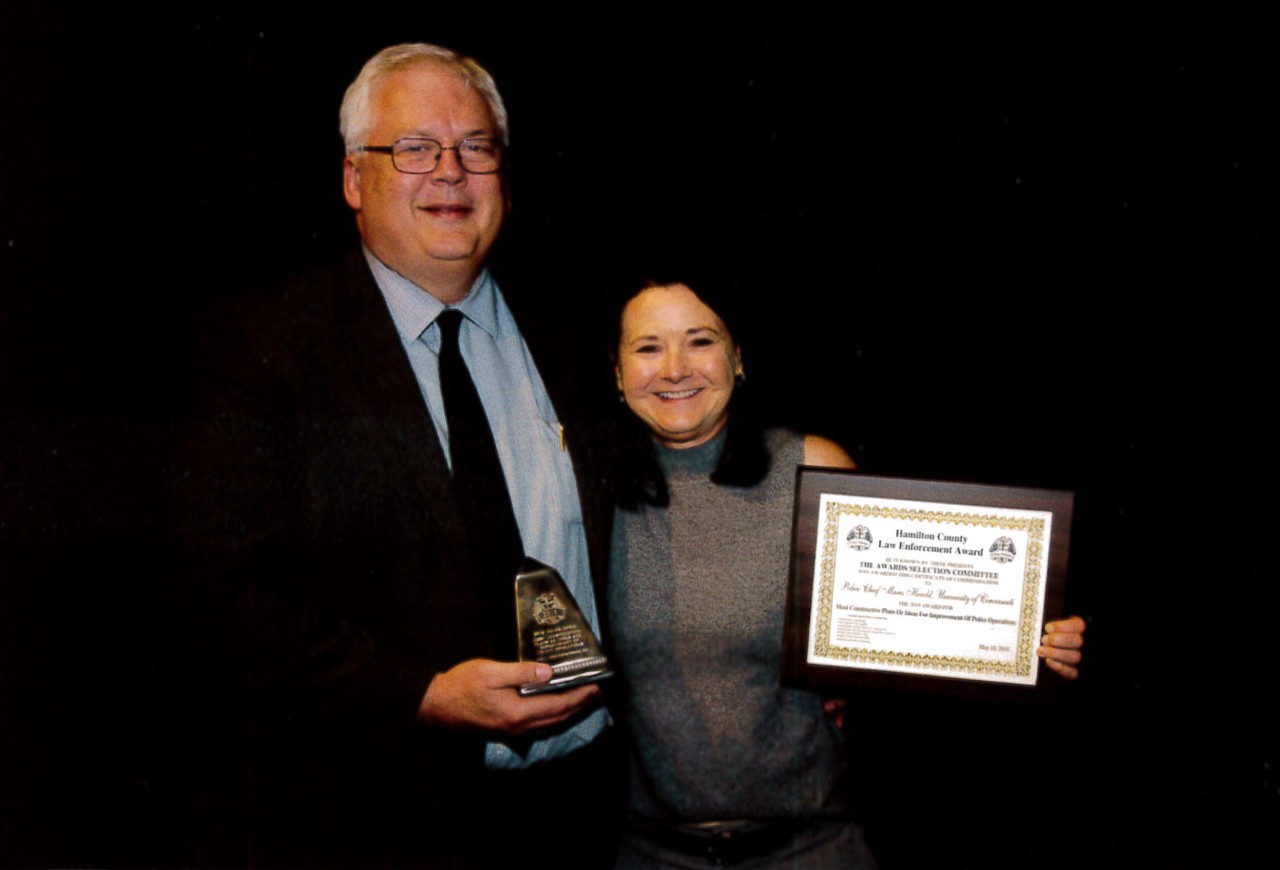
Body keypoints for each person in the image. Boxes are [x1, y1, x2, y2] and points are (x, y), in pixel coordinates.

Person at [170, 43, 622, 868]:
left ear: (506, 178)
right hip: (369, 816)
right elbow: (216, 591)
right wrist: (421, 695)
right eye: (413, 148)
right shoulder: (265, 345)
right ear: (353, 179)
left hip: (583, 810)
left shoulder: (582, 333)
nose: (448, 172)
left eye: (476, 147)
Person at [606, 276, 1086, 868]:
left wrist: (1029, 636)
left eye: (700, 341)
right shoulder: (586, 492)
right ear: (617, 370)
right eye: (648, 347)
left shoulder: (811, 466)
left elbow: (921, 611)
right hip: (650, 854)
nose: (675, 368)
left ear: (738, 356)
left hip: (814, 847)